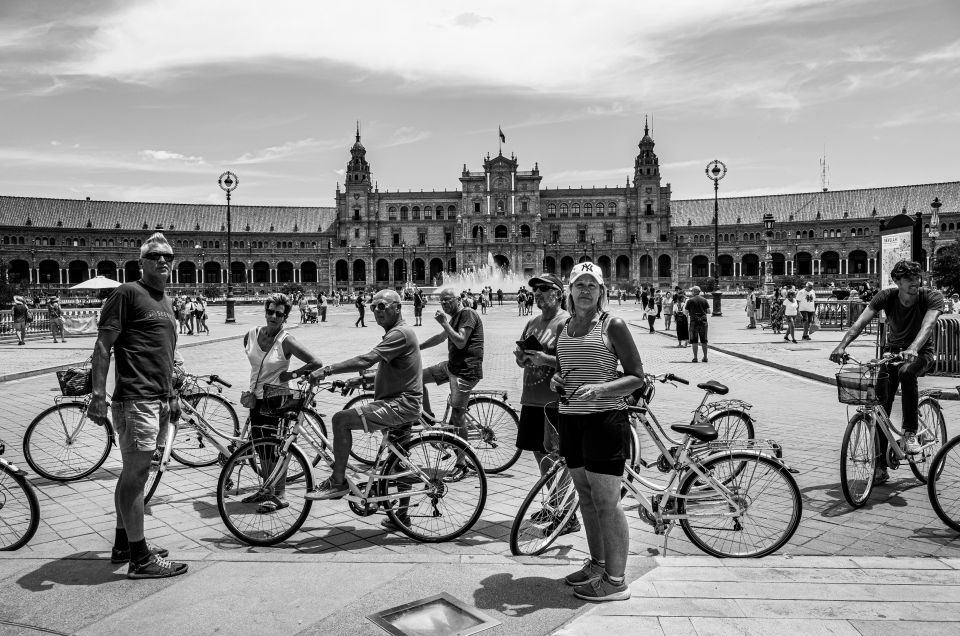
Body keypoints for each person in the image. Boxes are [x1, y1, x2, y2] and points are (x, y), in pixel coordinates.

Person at [88, 232, 187, 579]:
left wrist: (172, 394)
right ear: (141, 261)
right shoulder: (126, 293)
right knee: (136, 475)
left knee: (134, 475)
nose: (164, 261)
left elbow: (166, 354)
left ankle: (123, 544)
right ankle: (140, 559)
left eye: (169, 257)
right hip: (135, 399)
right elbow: (103, 346)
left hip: (159, 398)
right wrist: (98, 394)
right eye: (156, 256)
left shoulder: (166, 300)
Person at [550, 262, 645, 602]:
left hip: (605, 419)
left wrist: (604, 389)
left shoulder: (611, 324)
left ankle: (616, 581)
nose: (585, 290)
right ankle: (598, 564)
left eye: (592, 285)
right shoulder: (565, 326)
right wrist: (556, 380)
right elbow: (565, 371)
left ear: (602, 291)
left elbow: (637, 376)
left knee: (607, 501)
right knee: (586, 498)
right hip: (571, 419)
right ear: (570, 289)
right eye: (580, 284)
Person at [301, 290, 422, 512]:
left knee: (340, 420)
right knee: (399, 459)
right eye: (373, 306)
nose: (376, 310)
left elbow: (367, 359)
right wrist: (359, 381)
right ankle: (403, 516)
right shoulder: (398, 333)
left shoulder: (400, 333)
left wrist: (327, 370)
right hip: (406, 404)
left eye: (382, 306)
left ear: (397, 307)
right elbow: (392, 370)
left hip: (399, 405)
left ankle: (337, 482)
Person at [830, 260, 943, 482]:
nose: (915, 283)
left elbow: (928, 325)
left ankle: (910, 433)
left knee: (907, 373)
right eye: (909, 279)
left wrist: (913, 348)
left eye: (917, 278)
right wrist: (842, 346)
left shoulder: (930, 296)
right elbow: (860, 322)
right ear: (897, 281)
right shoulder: (886, 296)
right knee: (881, 407)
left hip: (921, 353)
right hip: (891, 352)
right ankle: (880, 466)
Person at [242, 293, 321, 513]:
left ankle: (280, 494)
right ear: (265, 311)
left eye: (279, 313)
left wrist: (291, 374)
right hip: (256, 398)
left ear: (285, 317)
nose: (274, 316)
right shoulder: (250, 335)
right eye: (270, 311)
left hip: (277, 399)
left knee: (277, 448)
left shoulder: (286, 340)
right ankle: (267, 489)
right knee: (261, 448)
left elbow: (316, 362)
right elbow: (254, 363)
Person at [513, 273, 579, 534]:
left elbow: (573, 363)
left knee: (557, 457)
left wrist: (544, 359)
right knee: (541, 455)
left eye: (544, 289)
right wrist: (522, 358)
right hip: (531, 399)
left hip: (554, 401)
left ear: (559, 293)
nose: (538, 293)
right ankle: (554, 502)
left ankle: (567, 513)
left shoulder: (567, 323)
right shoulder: (532, 322)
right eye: (535, 290)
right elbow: (525, 358)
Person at [419, 288, 484, 475]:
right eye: (441, 302)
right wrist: (417, 347)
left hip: (466, 372)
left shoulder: (467, 314)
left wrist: (445, 323)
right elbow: (441, 338)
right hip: (452, 367)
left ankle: (462, 463)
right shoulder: (456, 317)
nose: (444, 304)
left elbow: (461, 341)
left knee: (457, 416)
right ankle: (428, 416)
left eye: (447, 300)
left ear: (457, 299)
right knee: (417, 377)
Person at [685, 286, 710, 363]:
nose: (691, 292)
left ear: (695, 291)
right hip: (703, 322)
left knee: (694, 340)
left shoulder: (690, 301)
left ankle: (695, 357)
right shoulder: (704, 300)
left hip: (694, 322)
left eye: (692, 291)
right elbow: (708, 311)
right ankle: (705, 357)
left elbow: (685, 312)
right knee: (704, 340)